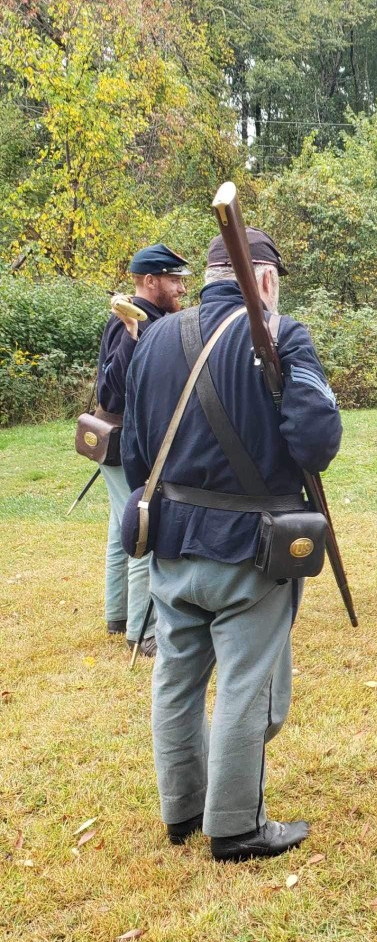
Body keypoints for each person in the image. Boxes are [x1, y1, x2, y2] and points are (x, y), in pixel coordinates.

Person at [121, 227, 342, 860]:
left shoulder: (155, 336)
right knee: (250, 686)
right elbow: (316, 443)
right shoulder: (280, 335)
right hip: (252, 549)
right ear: (265, 278)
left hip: (171, 540)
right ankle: (237, 825)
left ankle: (183, 809)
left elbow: (135, 452)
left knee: (176, 678)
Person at [95, 243, 190, 656]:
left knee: (120, 528)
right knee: (141, 527)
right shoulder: (131, 321)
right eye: (174, 280)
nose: (181, 289)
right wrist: (133, 335)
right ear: (150, 281)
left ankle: (118, 616)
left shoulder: (151, 318)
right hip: (125, 442)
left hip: (120, 440)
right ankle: (144, 631)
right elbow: (111, 391)